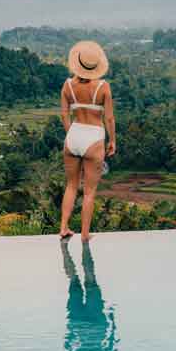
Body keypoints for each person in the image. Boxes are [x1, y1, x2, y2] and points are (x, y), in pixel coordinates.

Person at [59, 40, 116, 242]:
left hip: (73, 135)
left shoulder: (67, 85)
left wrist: (70, 134)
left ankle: (64, 227)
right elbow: (109, 118)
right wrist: (112, 141)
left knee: (71, 186)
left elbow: (64, 115)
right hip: (94, 137)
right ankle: (84, 233)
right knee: (90, 191)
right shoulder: (103, 87)